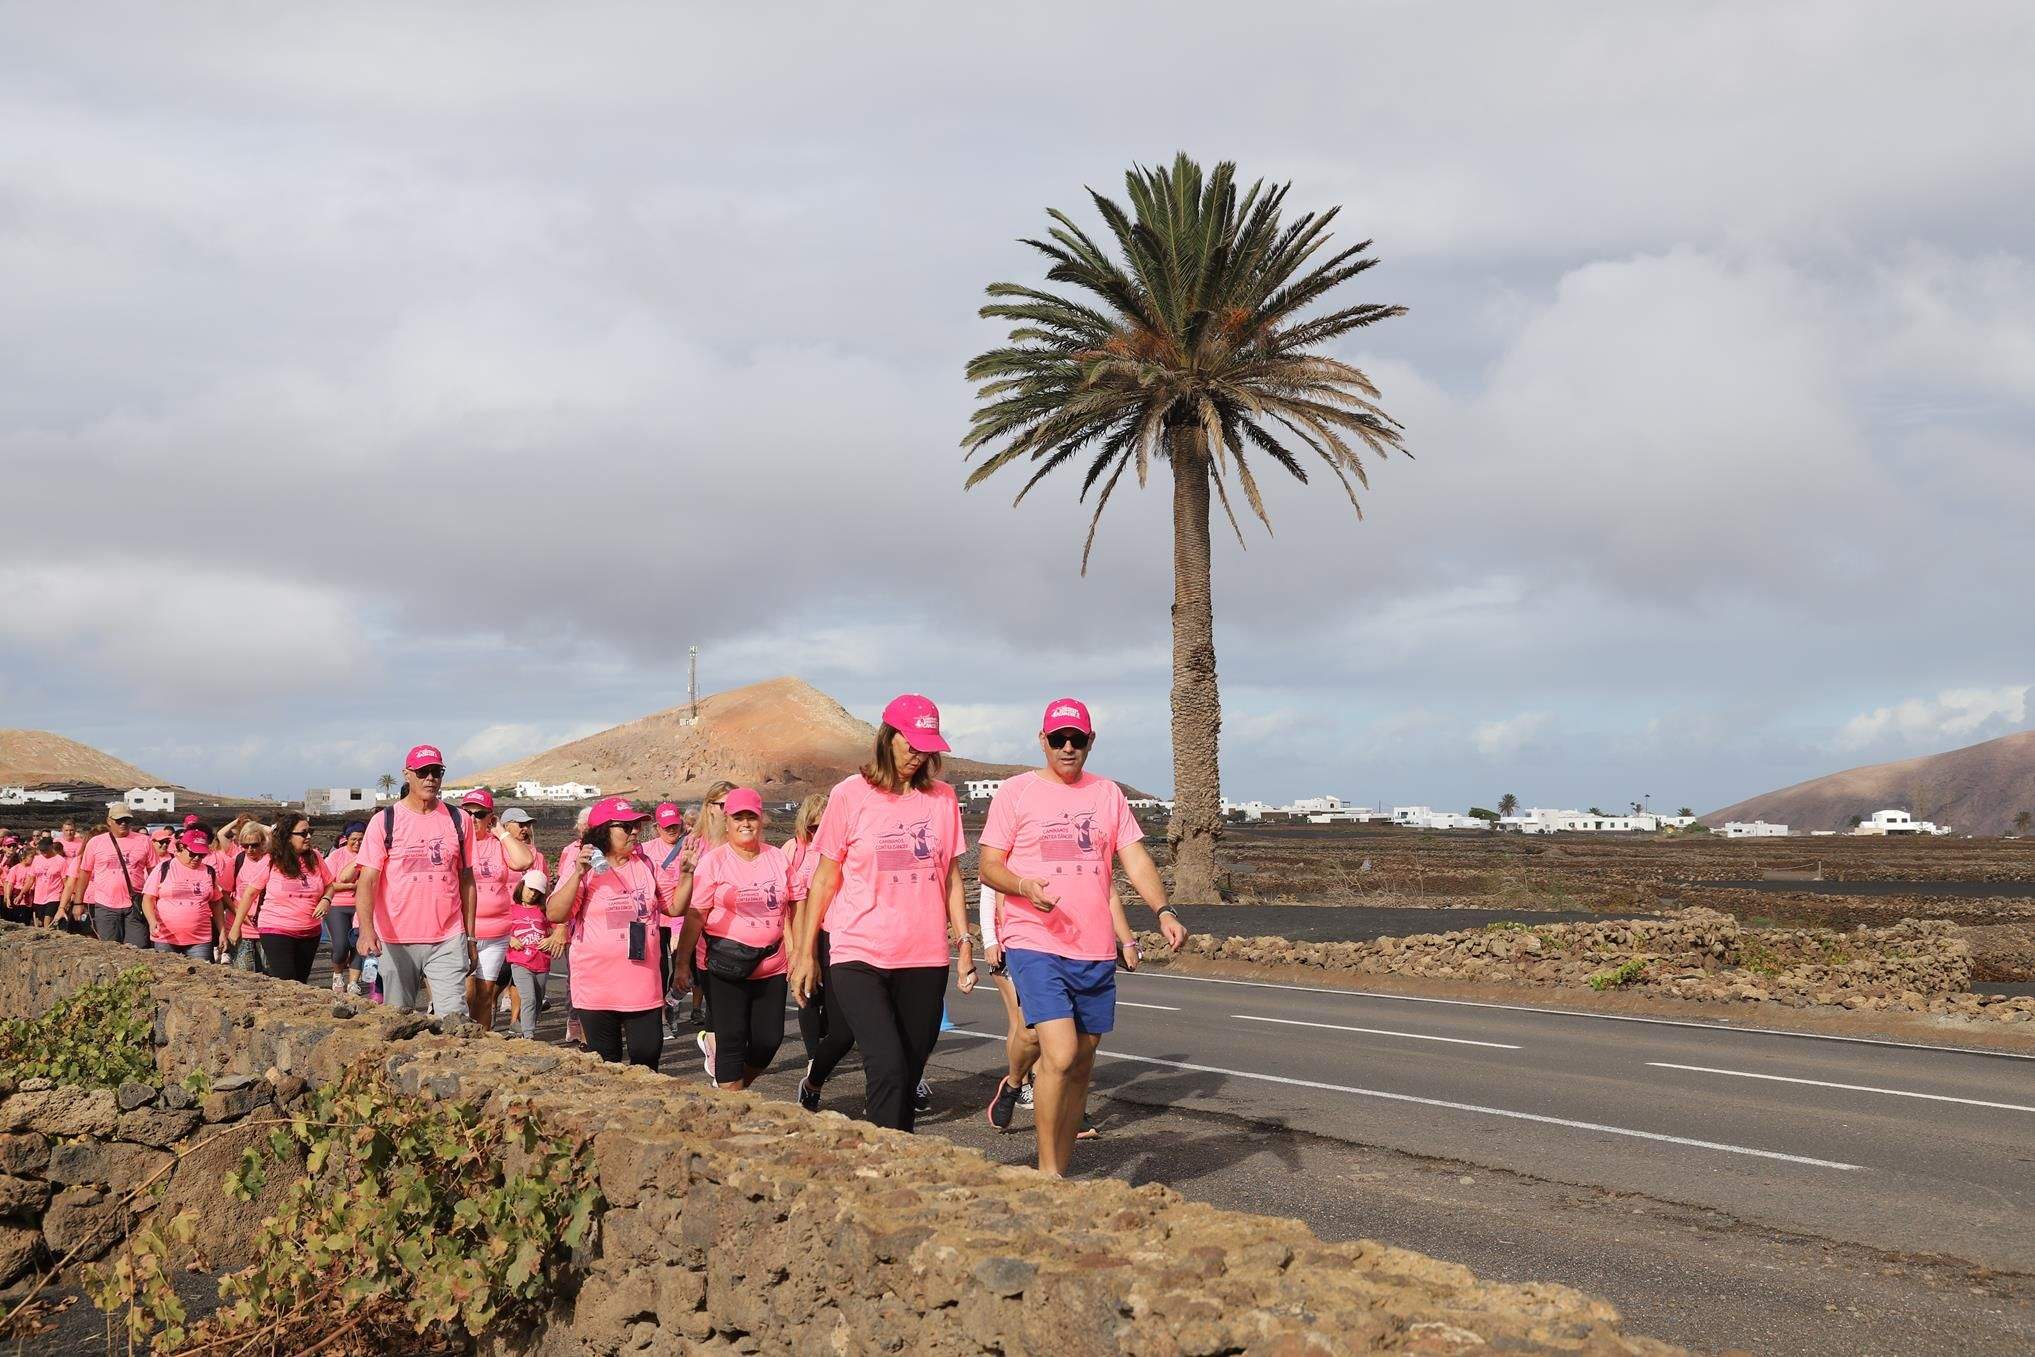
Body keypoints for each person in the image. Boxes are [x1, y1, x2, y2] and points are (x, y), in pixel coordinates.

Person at [977, 698, 1189, 1176]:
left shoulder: (1107, 794)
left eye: (1076, 739)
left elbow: (1134, 859)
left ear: (1090, 741)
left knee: (1083, 1063)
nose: (1067, 747)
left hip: (1092, 948)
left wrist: (1163, 910)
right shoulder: (1016, 792)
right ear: (1043, 741)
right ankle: (1047, 1173)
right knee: (1060, 1052)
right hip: (1034, 940)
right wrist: (1023, 886)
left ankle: (1061, 1168)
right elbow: (989, 866)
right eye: (1059, 739)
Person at [789, 695, 976, 1132]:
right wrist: (805, 953)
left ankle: (893, 1156)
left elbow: (951, 877)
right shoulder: (849, 795)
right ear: (887, 737)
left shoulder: (943, 798)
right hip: (859, 952)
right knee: (887, 1065)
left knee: (908, 1072)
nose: (917, 755)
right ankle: (885, 1161)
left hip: (925, 955)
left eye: (926, 747)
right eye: (910, 744)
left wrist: (965, 942)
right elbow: (824, 879)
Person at [545, 797, 683, 1068]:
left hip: (642, 985)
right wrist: (578, 873)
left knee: (647, 1056)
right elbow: (556, 914)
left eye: (636, 826)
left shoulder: (646, 865)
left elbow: (675, 907)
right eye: (626, 826)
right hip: (597, 988)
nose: (635, 831)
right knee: (607, 1065)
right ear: (602, 831)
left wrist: (687, 874)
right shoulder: (585, 867)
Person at [671, 788, 789, 1091]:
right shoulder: (714, 861)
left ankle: (731, 1093)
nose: (745, 823)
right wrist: (682, 964)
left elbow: (795, 905)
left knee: (769, 1040)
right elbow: (695, 915)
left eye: (752, 816)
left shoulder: (777, 857)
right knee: (732, 1038)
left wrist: (801, 954)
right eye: (738, 817)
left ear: (761, 820)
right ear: (727, 822)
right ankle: (731, 1096)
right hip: (724, 966)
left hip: (771, 965)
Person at [354, 745, 478, 1018]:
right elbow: (367, 881)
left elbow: (467, 880)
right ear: (407, 774)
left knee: (455, 1020)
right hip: (395, 938)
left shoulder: (460, 820)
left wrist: (470, 937)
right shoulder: (384, 821)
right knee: (397, 1018)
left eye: (436, 771)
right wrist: (366, 930)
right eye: (423, 772)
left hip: (447, 937)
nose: (430, 778)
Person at [785, 791, 848, 1112]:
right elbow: (787, 905)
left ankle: (826, 1048)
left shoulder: (838, 851)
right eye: (812, 827)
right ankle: (814, 1057)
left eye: (824, 827)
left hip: (835, 930)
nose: (818, 833)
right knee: (809, 994)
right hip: (807, 932)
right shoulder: (793, 851)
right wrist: (795, 948)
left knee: (838, 1005)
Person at [460, 789, 535, 1030]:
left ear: (490, 817)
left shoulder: (498, 844)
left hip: (495, 933)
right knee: (466, 993)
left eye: (480, 814)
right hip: (464, 931)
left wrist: (501, 832)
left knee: (485, 994)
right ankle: (459, 1039)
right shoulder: (457, 843)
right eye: (467, 813)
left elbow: (525, 861)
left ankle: (480, 1042)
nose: (473, 818)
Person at [231, 813, 332, 983]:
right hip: (276, 928)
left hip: (310, 930)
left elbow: (330, 885)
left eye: (310, 832)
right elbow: (249, 893)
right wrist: (236, 927)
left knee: (301, 982)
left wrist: (326, 900)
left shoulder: (315, 857)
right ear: (288, 836)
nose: (308, 836)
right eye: (303, 833)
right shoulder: (271, 860)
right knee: (286, 980)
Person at [68, 803, 158, 947]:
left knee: (138, 947)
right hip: (105, 905)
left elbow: (154, 873)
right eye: (119, 820)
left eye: (127, 820)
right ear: (109, 821)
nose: (123, 823)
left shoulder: (144, 841)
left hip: (135, 904)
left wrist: (155, 902)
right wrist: (78, 903)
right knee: (110, 948)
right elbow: (84, 873)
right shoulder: (96, 842)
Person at [141, 828, 226, 957]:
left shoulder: (208, 872)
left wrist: (222, 932)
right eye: (193, 854)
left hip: (200, 940)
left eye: (201, 855)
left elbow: (216, 903)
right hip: (165, 938)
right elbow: (148, 898)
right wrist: (152, 921)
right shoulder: (164, 868)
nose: (197, 858)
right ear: (181, 848)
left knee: (200, 970)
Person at [644, 802, 691, 1035]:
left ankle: (671, 1001)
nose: (671, 830)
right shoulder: (646, 850)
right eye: (666, 826)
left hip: (684, 917)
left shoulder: (691, 846)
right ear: (657, 827)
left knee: (687, 969)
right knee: (658, 967)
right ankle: (660, 1014)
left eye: (674, 825)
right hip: (656, 918)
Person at [504, 868, 565, 1039]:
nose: (532, 894)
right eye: (530, 889)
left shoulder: (544, 911)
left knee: (537, 1000)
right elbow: (499, 930)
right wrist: (510, 939)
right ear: (522, 886)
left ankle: (524, 1027)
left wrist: (551, 939)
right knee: (528, 998)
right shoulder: (511, 910)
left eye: (537, 892)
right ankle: (528, 1035)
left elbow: (558, 929)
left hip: (541, 962)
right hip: (520, 961)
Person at [219, 822, 273, 971]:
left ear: (263, 843)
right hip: (240, 926)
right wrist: (238, 914)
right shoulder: (237, 861)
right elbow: (224, 892)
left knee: (269, 974)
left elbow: (275, 833)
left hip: (266, 925)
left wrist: (257, 825)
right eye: (245, 845)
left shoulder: (271, 861)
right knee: (244, 974)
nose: (249, 849)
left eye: (254, 845)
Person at [324, 822, 367, 995]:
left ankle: (353, 982)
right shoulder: (335, 856)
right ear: (346, 839)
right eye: (353, 839)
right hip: (337, 905)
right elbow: (329, 884)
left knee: (358, 943)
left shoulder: (371, 855)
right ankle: (338, 974)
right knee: (341, 945)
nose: (357, 843)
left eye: (361, 839)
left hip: (361, 905)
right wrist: (353, 886)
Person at [27, 837, 69, 928]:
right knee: (40, 923)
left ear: (51, 847)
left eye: (45, 850)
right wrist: (22, 893)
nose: (43, 852)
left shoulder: (61, 861)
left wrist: (68, 897)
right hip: (39, 897)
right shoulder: (37, 859)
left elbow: (65, 881)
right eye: (41, 850)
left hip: (54, 895)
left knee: (47, 920)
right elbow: (31, 878)